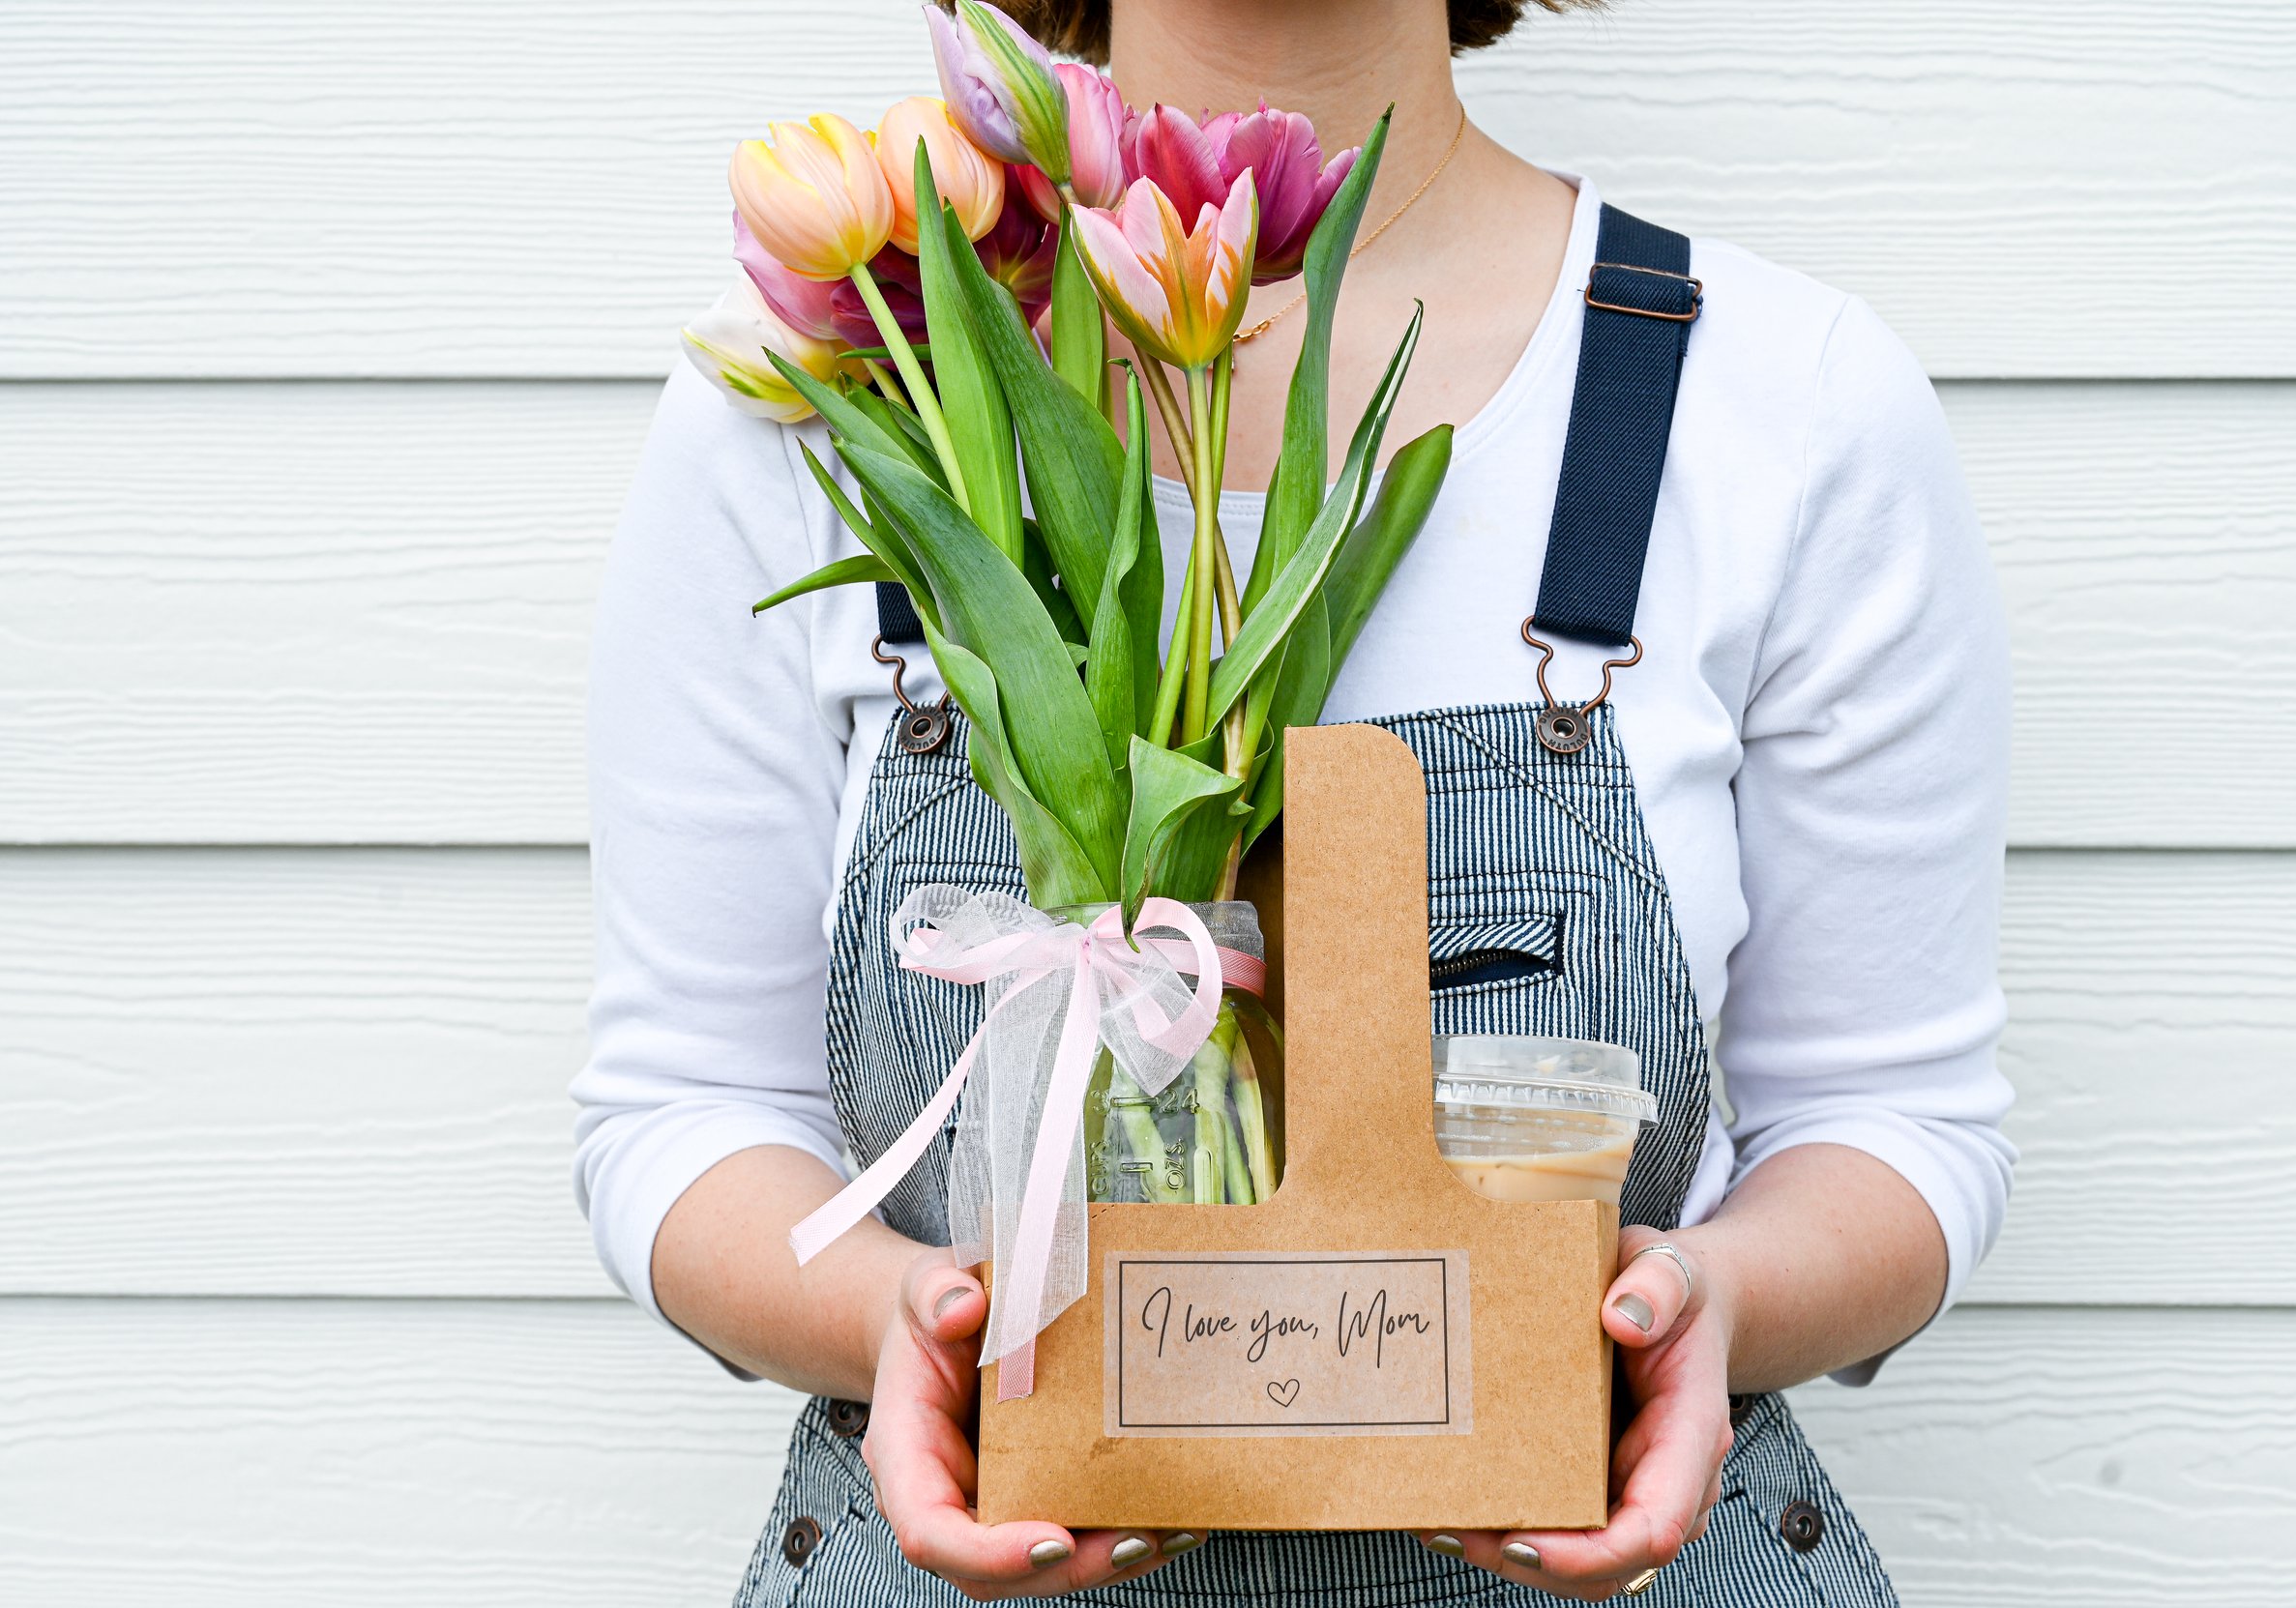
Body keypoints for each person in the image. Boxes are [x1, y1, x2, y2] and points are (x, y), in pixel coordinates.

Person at [573, 0, 2016, 1600]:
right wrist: (890, 1320)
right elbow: (685, 1109)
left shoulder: (1781, 406)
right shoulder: (834, 398)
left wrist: (1710, 1298)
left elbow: (1893, 1123)